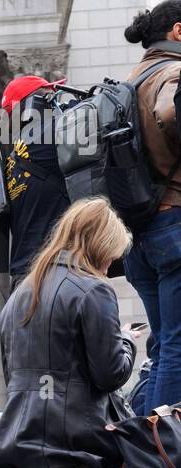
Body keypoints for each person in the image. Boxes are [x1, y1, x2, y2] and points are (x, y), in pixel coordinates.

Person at [0, 197, 138, 468]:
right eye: (111, 256)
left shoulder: (19, 295)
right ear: (100, 247)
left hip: (21, 436)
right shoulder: (94, 290)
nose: (110, 266)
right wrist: (127, 341)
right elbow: (110, 375)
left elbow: (12, 376)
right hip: (81, 439)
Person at [123, 4, 181, 412]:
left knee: (164, 346)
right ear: (178, 31)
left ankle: (150, 449)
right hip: (173, 226)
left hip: (138, 235)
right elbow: (169, 112)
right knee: (178, 346)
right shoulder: (172, 74)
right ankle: (170, 457)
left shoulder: (127, 82)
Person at [0, 75, 71, 287]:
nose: (56, 100)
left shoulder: (14, 157)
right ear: (34, 105)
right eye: (49, 96)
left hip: (23, 277)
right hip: (52, 273)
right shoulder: (47, 137)